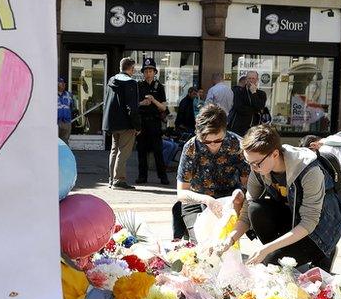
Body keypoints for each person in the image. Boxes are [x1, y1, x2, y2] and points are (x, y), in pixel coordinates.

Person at [221, 125, 341, 271]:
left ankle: (323, 252)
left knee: (269, 265)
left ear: (275, 154)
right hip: (293, 219)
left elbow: (309, 222)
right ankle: (281, 252)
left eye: (256, 164)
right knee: (255, 209)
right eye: (248, 163)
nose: (252, 168)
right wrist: (229, 239)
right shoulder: (259, 168)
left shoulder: (309, 170)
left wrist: (266, 250)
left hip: (319, 230)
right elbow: (246, 212)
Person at [173, 104, 249, 240]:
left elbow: (248, 184)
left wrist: (240, 193)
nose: (213, 144)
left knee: (223, 239)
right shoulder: (191, 147)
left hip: (228, 200)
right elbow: (181, 192)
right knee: (201, 241)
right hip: (196, 199)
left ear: (225, 131)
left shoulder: (237, 144)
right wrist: (207, 200)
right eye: (206, 141)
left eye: (218, 140)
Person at [103, 58, 142, 190]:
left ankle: (111, 179)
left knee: (114, 151)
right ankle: (119, 180)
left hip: (113, 123)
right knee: (123, 152)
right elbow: (132, 107)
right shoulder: (131, 83)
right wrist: (137, 126)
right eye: (134, 68)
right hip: (126, 123)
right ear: (131, 69)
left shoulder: (111, 81)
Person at [136, 57, 169, 185]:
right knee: (141, 151)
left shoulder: (159, 87)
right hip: (142, 122)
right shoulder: (139, 86)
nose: (148, 73)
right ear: (143, 73)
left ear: (155, 72)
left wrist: (153, 100)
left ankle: (163, 177)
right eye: (146, 71)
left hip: (155, 123)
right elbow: (134, 105)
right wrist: (142, 103)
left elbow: (164, 107)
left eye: (151, 71)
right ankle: (142, 176)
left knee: (158, 151)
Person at [230, 71, 267, 136]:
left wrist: (254, 93)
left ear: (257, 80)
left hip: (254, 128)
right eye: (249, 78)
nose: (251, 80)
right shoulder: (239, 92)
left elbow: (260, 107)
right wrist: (254, 110)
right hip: (239, 128)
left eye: (253, 78)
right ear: (246, 80)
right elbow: (239, 108)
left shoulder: (261, 94)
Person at [58, 77, 73, 144]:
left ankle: (64, 154)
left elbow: (72, 107)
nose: (63, 84)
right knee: (54, 142)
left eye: (64, 83)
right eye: (61, 83)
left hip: (66, 122)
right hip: (56, 122)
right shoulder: (50, 95)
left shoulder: (68, 94)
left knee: (65, 142)